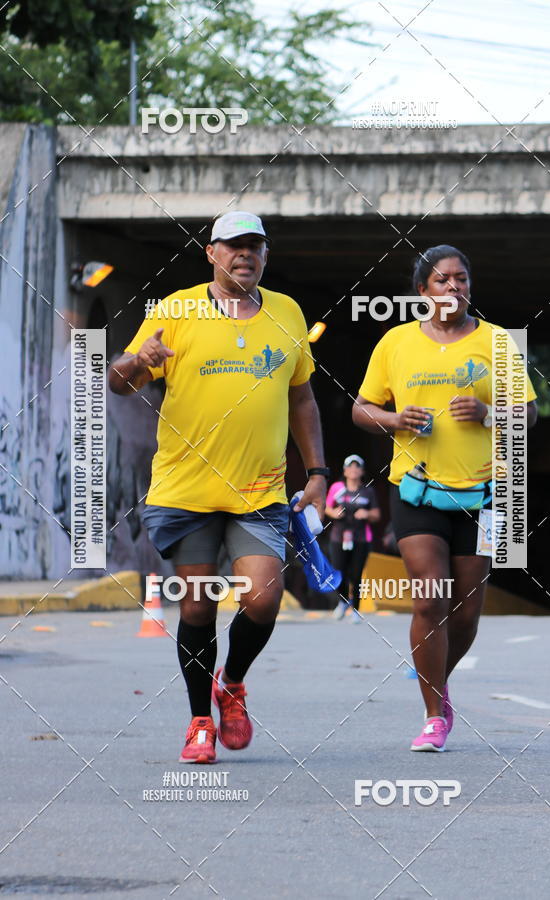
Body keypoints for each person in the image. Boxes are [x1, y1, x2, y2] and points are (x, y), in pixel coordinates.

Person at [108, 211, 329, 764]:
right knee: (200, 606)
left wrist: (319, 472)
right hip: (186, 490)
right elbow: (117, 380)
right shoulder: (176, 309)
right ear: (212, 253)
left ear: (265, 255)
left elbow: (301, 398)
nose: (245, 255)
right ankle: (199, 720)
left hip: (259, 489)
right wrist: (139, 359)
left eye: (255, 246)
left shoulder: (288, 313)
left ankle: (231, 682)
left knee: (263, 596)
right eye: (234, 246)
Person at [353, 244, 537, 752]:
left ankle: (438, 680)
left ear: (470, 286)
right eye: (440, 281)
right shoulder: (395, 343)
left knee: (466, 612)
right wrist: (393, 420)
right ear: (422, 291)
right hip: (417, 489)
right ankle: (434, 714)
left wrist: (487, 413)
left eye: (460, 279)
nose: (452, 288)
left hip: (485, 495)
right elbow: (361, 409)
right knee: (430, 595)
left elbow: (529, 416)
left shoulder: (497, 343)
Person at [325, 455, 380, 623]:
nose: (354, 470)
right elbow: (326, 507)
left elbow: (377, 515)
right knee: (338, 571)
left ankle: (356, 609)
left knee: (356, 574)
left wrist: (367, 514)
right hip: (338, 536)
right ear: (345, 470)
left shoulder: (367, 491)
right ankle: (342, 602)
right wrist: (334, 513)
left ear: (362, 471)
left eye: (357, 467)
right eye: (350, 467)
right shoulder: (337, 488)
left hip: (361, 538)